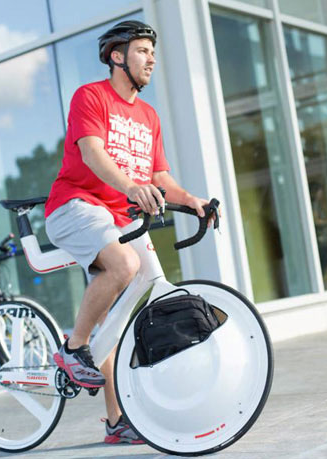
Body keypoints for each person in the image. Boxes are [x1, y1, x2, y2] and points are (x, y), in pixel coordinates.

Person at [45, 20, 215, 444]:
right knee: (124, 264)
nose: (151, 59)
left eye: (152, 53)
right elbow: (93, 152)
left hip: (121, 214)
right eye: (142, 50)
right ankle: (73, 348)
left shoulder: (149, 116)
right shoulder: (92, 96)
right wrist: (131, 187)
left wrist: (192, 199)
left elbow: (160, 175)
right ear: (117, 56)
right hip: (76, 205)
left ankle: (117, 421)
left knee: (144, 287)